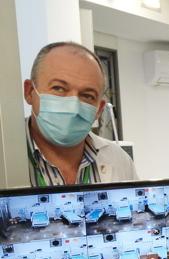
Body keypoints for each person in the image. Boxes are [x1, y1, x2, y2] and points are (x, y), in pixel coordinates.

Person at [23, 42, 138, 186]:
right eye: (58, 88)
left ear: (99, 109)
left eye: (87, 95)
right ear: (29, 92)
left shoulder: (120, 160)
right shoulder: (6, 156)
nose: (73, 106)